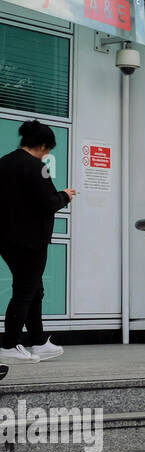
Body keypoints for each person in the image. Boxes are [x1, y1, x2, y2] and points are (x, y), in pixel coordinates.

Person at [0, 120, 76, 365]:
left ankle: (39, 341)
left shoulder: (4, 163)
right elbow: (49, 202)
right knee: (25, 291)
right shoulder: (38, 167)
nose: (48, 153)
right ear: (43, 145)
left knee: (34, 290)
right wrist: (66, 195)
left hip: (6, 239)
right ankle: (9, 345)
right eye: (48, 148)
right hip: (31, 241)